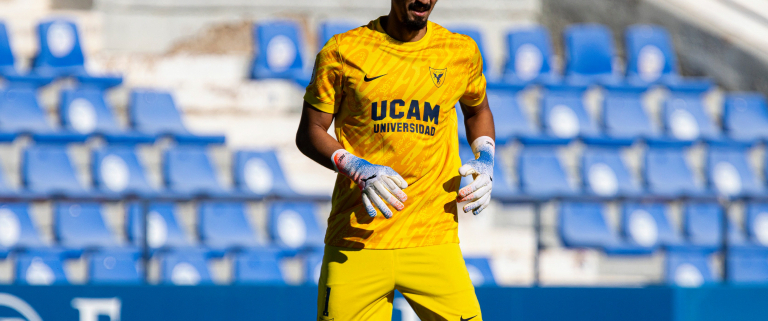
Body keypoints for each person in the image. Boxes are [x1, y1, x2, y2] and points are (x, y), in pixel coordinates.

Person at [295, 0, 495, 319]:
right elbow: (310, 131)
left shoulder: (460, 51)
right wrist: (356, 167)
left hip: (433, 238)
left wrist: (485, 157)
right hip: (356, 239)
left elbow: (477, 110)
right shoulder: (343, 50)